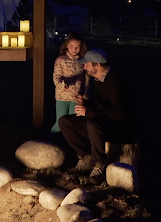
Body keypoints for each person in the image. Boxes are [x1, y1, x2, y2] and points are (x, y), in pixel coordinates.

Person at [57, 49, 139, 183]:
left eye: (87, 64)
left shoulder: (114, 80)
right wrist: (86, 103)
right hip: (104, 122)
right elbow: (103, 107)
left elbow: (119, 112)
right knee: (65, 122)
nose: (84, 67)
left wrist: (88, 112)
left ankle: (99, 166)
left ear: (98, 65)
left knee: (92, 123)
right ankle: (85, 157)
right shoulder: (99, 79)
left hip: (120, 127)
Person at [49, 33, 90, 142]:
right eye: (72, 46)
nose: (74, 49)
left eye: (77, 47)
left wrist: (85, 95)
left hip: (77, 97)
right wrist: (63, 86)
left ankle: (71, 144)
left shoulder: (83, 62)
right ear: (67, 45)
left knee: (73, 122)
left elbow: (86, 80)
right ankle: (51, 141)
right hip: (62, 96)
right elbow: (56, 77)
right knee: (60, 121)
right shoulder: (61, 60)